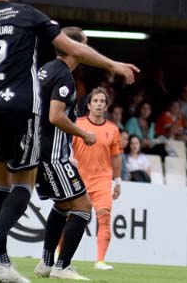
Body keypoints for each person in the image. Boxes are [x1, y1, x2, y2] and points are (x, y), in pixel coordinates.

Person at [0, 0, 137, 283]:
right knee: (23, 185)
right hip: (22, 110)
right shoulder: (27, 14)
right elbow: (74, 48)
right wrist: (113, 64)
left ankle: (3, 263)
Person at [32, 27, 96, 280]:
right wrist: (84, 134)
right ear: (73, 47)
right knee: (83, 207)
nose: (86, 49)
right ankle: (62, 266)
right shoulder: (64, 78)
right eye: (84, 44)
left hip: (38, 150)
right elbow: (55, 116)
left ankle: (46, 263)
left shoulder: (44, 69)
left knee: (61, 205)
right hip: (53, 154)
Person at [72, 87, 123, 271]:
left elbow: (116, 157)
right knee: (71, 219)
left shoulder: (112, 129)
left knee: (104, 218)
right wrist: (69, 157)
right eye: (96, 101)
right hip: (79, 179)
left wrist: (117, 181)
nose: (99, 104)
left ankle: (100, 261)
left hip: (102, 181)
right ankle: (57, 254)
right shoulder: (77, 124)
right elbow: (65, 146)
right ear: (89, 104)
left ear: (106, 105)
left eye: (102, 101)